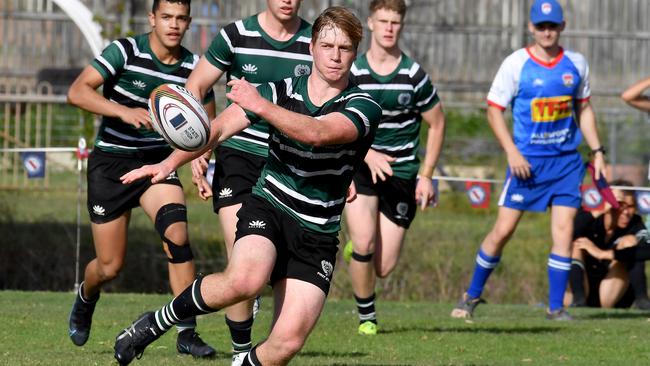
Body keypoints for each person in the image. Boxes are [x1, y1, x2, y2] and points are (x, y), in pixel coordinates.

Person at [113, 7, 382, 366]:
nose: (335, 56)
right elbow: (218, 129)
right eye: (327, 45)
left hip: (318, 232)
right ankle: (155, 323)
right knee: (245, 280)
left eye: (345, 48)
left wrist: (260, 105)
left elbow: (317, 134)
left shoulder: (363, 104)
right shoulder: (280, 90)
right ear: (311, 47)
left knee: (286, 343)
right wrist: (166, 163)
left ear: (355, 51)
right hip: (270, 205)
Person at [66, 0, 216, 358]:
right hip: (112, 164)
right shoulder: (125, 51)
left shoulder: (195, 68)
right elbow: (77, 91)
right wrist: (122, 111)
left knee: (177, 236)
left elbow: (207, 126)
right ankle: (87, 296)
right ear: (152, 18)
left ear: (189, 22)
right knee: (109, 266)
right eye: (166, 17)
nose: (173, 25)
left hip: (156, 165)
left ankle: (186, 332)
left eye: (181, 19)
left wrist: (201, 159)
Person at [450, 0, 606, 320]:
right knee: (503, 230)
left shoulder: (576, 63)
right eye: (541, 26)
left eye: (553, 26)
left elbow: (584, 109)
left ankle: (555, 308)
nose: (547, 32)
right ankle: (471, 296)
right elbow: (494, 109)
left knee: (563, 232)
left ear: (562, 27)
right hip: (527, 165)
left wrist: (598, 151)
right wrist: (512, 151)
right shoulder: (516, 63)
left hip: (565, 163)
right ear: (531, 28)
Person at [183, 1, 312, 362]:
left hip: (287, 160)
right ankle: (241, 352)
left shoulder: (314, 41)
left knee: (273, 265)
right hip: (237, 154)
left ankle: (263, 344)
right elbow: (197, 84)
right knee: (238, 249)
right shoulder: (236, 36)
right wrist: (198, 147)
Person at [342, 0, 445, 335]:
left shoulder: (413, 75)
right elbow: (337, 121)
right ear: (371, 23)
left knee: (383, 267)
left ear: (401, 26)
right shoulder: (352, 72)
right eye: (383, 21)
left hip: (401, 174)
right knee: (364, 246)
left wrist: (427, 176)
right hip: (361, 167)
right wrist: (366, 153)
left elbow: (438, 123)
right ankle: (366, 317)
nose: (388, 28)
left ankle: (360, 249)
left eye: (395, 22)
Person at [569, 181, 650, 308]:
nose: (626, 212)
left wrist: (605, 254)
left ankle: (642, 301)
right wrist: (600, 209)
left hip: (610, 296)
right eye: (621, 205)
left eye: (631, 206)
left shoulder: (636, 223)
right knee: (574, 245)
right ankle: (578, 301)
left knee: (631, 243)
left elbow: (647, 249)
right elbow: (565, 234)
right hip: (583, 287)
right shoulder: (589, 217)